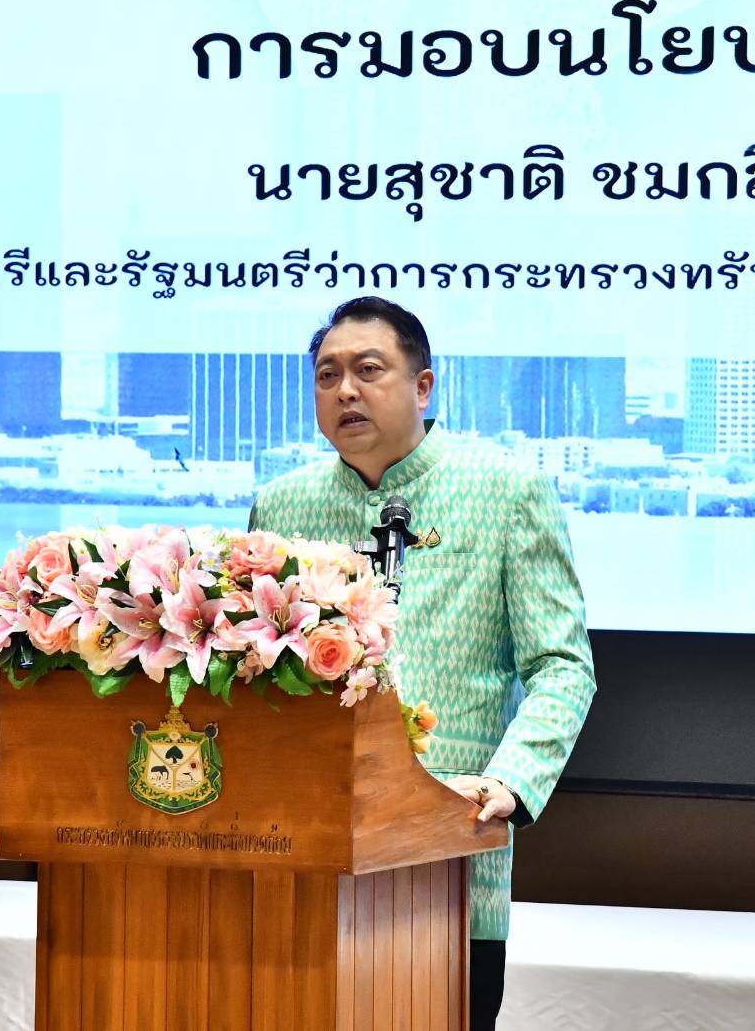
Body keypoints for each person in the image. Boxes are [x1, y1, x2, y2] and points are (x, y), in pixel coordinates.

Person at [248, 296, 596, 1029]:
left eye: (368, 370)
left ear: (424, 386)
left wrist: (512, 780)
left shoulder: (507, 491)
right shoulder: (280, 507)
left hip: (450, 853)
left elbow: (562, 665)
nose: (345, 390)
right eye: (327, 376)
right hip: (304, 859)